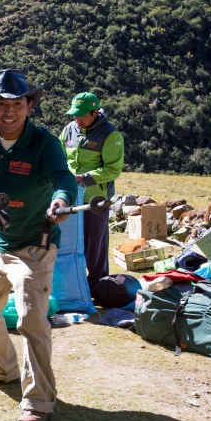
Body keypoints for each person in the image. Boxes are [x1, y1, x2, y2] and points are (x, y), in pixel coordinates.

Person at [0, 68, 76, 421]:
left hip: (35, 246)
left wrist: (60, 200)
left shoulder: (44, 143)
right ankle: (1, 369)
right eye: (2, 104)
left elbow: (64, 178)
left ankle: (39, 401)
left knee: (32, 321)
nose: (9, 112)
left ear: (29, 106)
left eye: (17, 104)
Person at [59, 92, 124, 288]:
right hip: (69, 198)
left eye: (81, 115)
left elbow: (113, 169)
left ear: (95, 112)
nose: (76, 119)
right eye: (74, 114)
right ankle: (71, 285)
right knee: (67, 243)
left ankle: (98, 286)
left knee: (94, 245)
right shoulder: (69, 130)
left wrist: (84, 178)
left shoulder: (110, 134)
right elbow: (59, 157)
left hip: (94, 201)